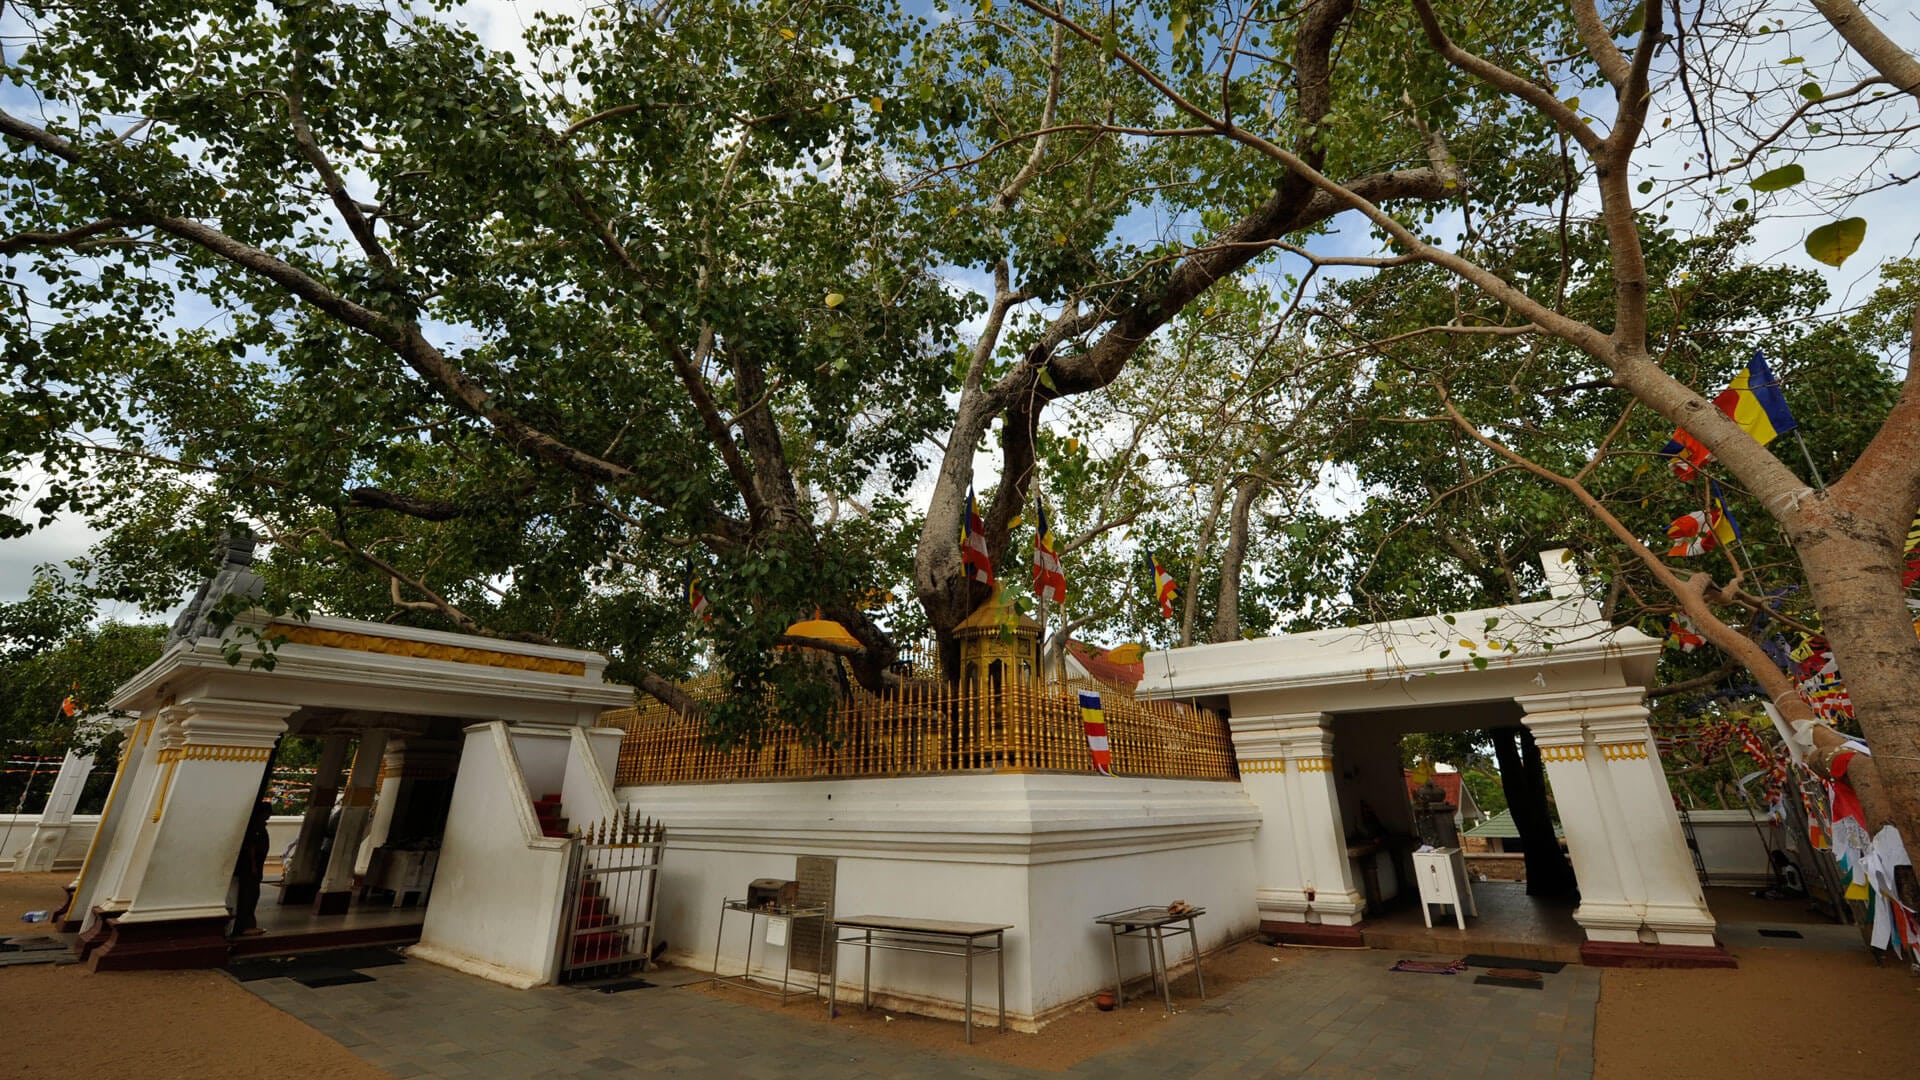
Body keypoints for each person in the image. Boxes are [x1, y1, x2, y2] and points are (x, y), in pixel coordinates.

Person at [231, 797, 273, 936]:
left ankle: (247, 924)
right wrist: (253, 865)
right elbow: (251, 847)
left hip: (254, 866)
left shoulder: (257, 826)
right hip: (250, 867)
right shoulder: (255, 827)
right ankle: (245, 925)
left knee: (251, 895)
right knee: (249, 896)